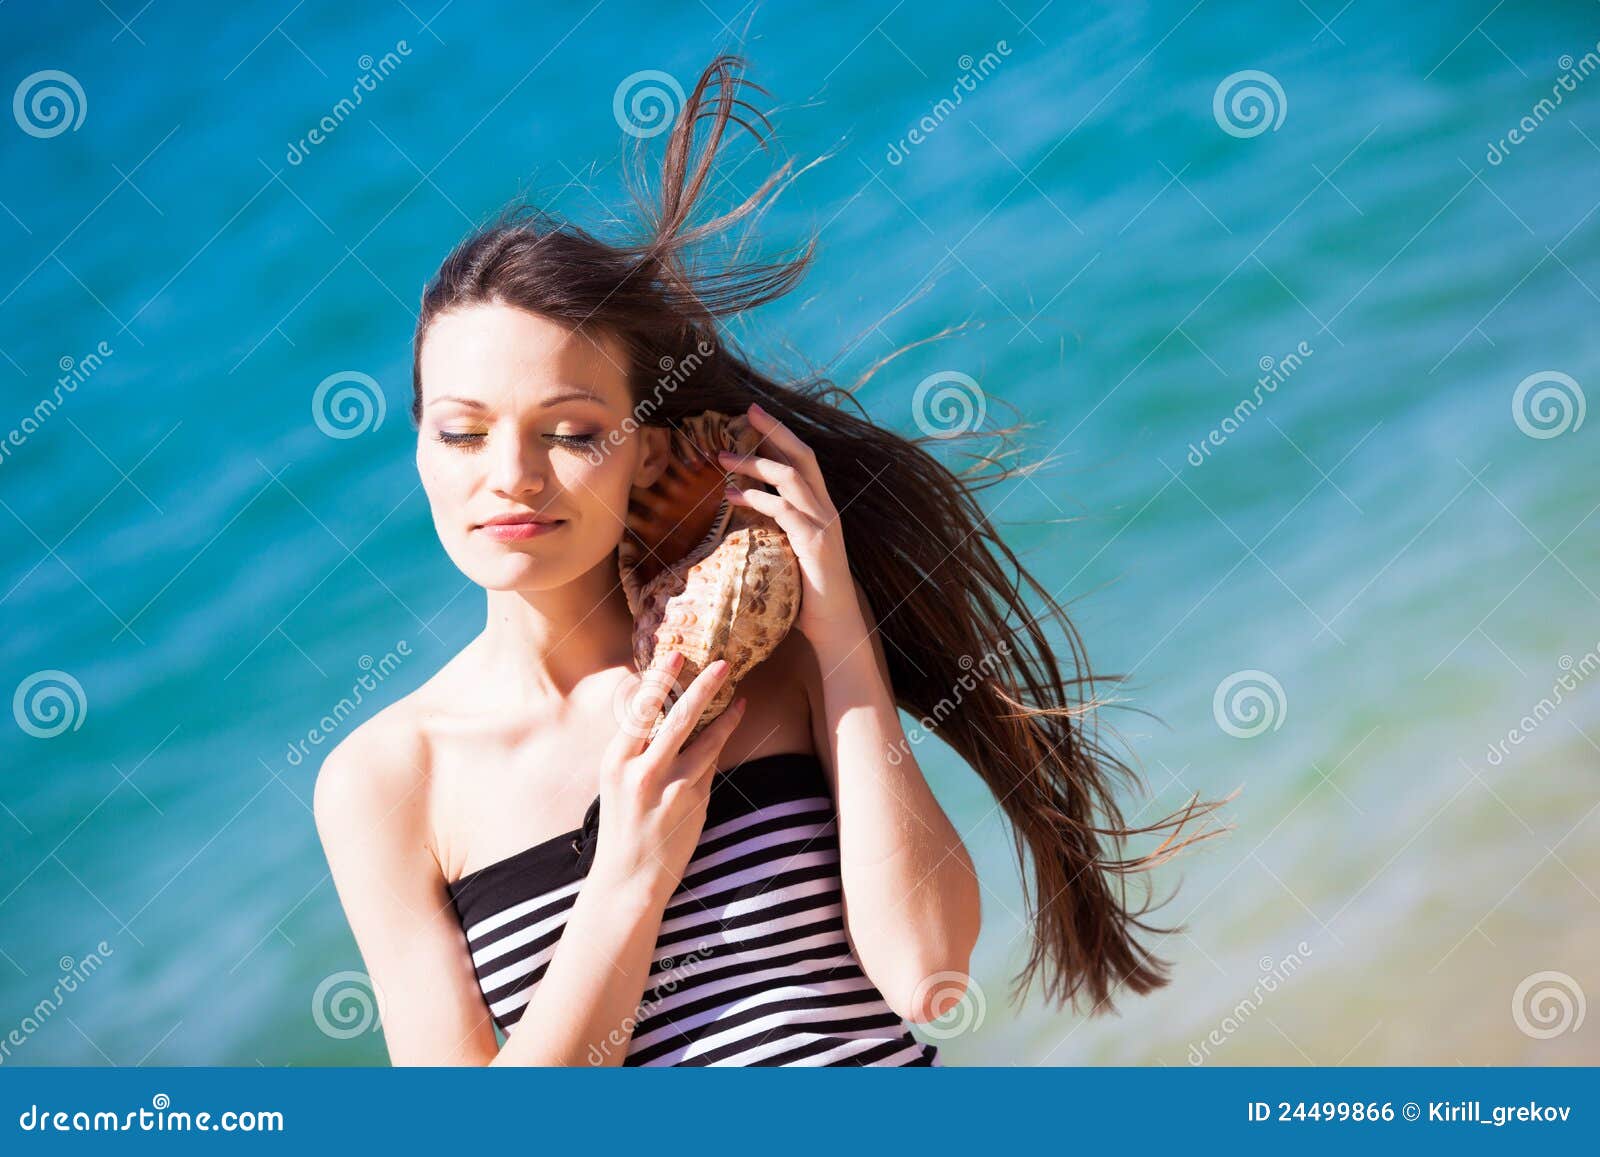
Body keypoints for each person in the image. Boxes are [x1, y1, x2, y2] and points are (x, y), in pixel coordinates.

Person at [312, 54, 1227, 1066]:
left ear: (647, 448)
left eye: (572, 432)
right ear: (418, 447)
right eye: (463, 433)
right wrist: (631, 869)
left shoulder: (767, 663)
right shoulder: (390, 778)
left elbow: (928, 968)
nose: (513, 476)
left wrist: (838, 630)